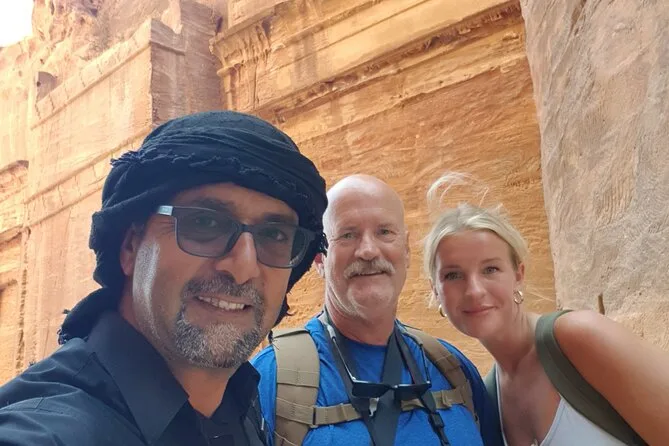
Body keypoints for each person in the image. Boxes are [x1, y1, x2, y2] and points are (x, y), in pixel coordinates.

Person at [0, 111, 328, 446]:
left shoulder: (241, 409)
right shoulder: (48, 431)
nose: (244, 268)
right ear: (130, 246)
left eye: (274, 234)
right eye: (205, 223)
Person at [252, 175, 501, 446]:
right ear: (319, 258)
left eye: (384, 232)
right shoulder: (270, 380)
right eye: (348, 235)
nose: (368, 251)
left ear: (406, 249)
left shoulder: (452, 369)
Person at [422, 173, 669, 446]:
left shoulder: (579, 338)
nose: (474, 290)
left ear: (518, 275)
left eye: (490, 269)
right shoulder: (488, 399)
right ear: (435, 290)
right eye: (453, 275)